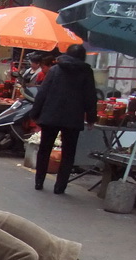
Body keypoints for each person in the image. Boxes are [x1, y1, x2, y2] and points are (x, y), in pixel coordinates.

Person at [30, 43, 98, 194]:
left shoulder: (55, 70)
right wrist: (92, 118)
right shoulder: (87, 72)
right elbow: (90, 97)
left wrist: (35, 113)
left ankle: (39, 182)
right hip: (73, 118)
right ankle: (60, 187)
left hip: (51, 115)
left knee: (44, 149)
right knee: (68, 153)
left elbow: (42, 93)